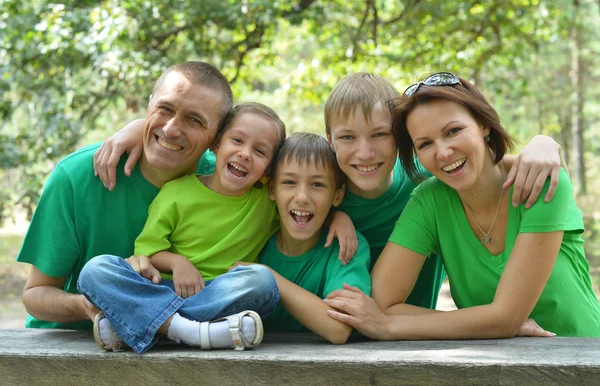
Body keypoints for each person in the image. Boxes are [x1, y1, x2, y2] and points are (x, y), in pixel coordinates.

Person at [95, 72, 565, 310]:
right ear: (329, 141)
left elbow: (474, 158)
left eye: (380, 135)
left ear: (401, 141)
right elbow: (233, 158)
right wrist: (142, 127)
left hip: (411, 334)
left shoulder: (425, 182)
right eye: (346, 138)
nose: (363, 152)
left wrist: (543, 144)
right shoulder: (318, 183)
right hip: (319, 334)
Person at [324, 72, 600, 338]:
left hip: (582, 359)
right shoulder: (428, 198)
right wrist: (486, 323)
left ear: (483, 124)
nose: (443, 152)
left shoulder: (540, 185)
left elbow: (506, 318)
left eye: (454, 131)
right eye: (425, 143)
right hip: (495, 369)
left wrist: (545, 143)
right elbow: (381, 305)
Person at [16, 61, 234, 329]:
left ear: (217, 138)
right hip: (74, 346)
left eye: (195, 120)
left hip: (176, 348)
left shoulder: (225, 183)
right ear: (148, 107)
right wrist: (92, 306)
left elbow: (280, 171)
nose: (171, 129)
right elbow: (35, 295)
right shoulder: (76, 177)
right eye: (164, 109)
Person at [78, 102, 287, 353]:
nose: (245, 153)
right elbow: (147, 253)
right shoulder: (177, 191)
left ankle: (148, 324)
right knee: (95, 270)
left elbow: (305, 205)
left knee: (263, 281)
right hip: (164, 288)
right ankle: (195, 332)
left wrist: (337, 220)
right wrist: (178, 263)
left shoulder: (267, 202)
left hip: (219, 294)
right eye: (237, 140)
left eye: (260, 152)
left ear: (269, 169)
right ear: (217, 143)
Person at [232, 132, 371, 344]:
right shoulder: (254, 236)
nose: (303, 197)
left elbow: (339, 328)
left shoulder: (347, 246)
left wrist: (268, 277)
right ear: (271, 189)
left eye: (317, 185)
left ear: (337, 195)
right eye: (289, 182)